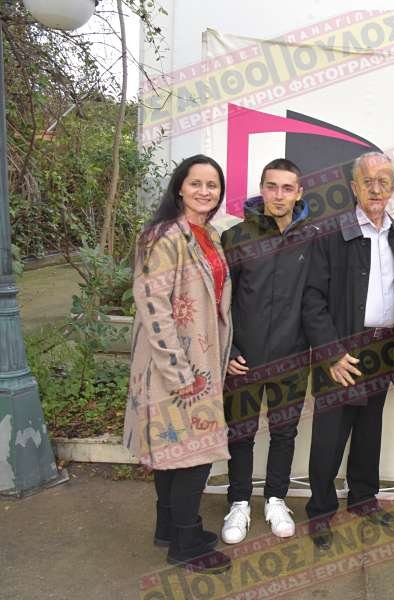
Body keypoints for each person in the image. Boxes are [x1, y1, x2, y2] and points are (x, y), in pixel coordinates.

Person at [302, 152, 394, 549]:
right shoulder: (331, 235)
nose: (376, 188)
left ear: (393, 188)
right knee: (330, 436)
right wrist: (332, 354)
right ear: (354, 187)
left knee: (370, 431)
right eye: (368, 181)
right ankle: (320, 512)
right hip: (343, 350)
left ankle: (363, 499)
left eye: (383, 181)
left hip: (383, 348)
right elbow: (312, 300)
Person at [124, 154, 233, 573]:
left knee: (174, 447)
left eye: (212, 185)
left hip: (201, 359)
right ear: (179, 188)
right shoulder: (163, 237)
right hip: (176, 367)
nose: (205, 191)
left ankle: (168, 526)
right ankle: (186, 543)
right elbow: (153, 308)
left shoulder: (209, 234)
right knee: (194, 453)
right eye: (196, 183)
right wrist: (179, 372)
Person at [219, 158, 316, 544]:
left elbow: (317, 300)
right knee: (241, 433)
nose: (279, 195)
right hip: (244, 360)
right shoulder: (236, 237)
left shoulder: (312, 238)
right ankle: (239, 502)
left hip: (292, 357)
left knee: (284, 432)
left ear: (299, 193)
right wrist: (229, 350)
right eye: (272, 186)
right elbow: (220, 301)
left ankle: (276, 499)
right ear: (261, 189)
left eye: (287, 188)